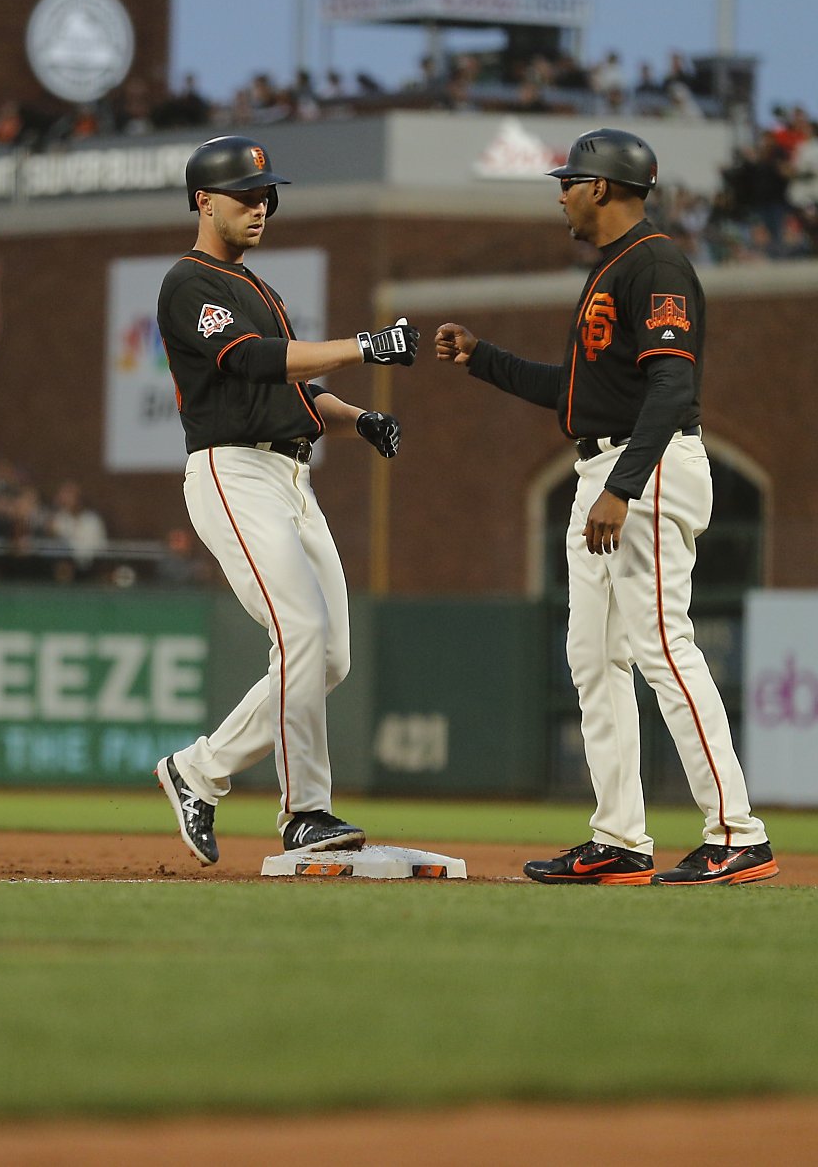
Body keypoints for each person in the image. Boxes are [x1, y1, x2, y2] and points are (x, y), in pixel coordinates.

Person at [433, 129, 776, 887]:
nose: (560, 191)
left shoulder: (654, 264)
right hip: (609, 461)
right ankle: (620, 839)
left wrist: (623, 486)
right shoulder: (613, 269)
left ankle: (736, 833)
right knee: (593, 659)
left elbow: (672, 387)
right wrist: (482, 357)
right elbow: (580, 394)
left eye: (570, 180)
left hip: (643, 467)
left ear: (602, 187)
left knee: (661, 644)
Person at [150, 136, 419, 866]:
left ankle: (197, 770)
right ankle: (305, 813)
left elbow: (295, 383)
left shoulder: (260, 289)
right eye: (245, 192)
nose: (261, 203)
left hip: (293, 478)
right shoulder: (189, 282)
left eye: (266, 192)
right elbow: (248, 360)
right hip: (232, 472)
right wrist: (366, 345)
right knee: (298, 631)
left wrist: (356, 417)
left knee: (328, 656)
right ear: (203, 201)